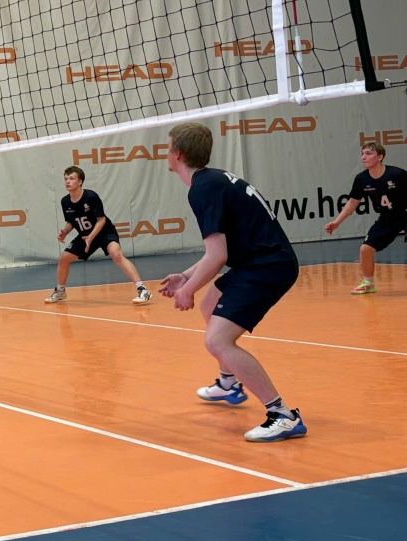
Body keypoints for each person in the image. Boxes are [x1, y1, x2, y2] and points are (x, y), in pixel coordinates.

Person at [158, 122, 306, 443]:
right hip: (257, 261)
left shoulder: (203, 188)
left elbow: (218, 255)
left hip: (268, 267)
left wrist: (187, 290)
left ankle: (283, 415)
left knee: (217, 341)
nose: (165, 153)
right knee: (210, 305)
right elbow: (219, 250)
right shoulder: (211, 179)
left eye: (167, 148)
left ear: (178, 154)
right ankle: (229, 383)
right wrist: (186, 276)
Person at [45, 166, 151, 305]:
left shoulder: (91, 196)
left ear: (80, 181)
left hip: (104, 232)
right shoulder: (65, 201)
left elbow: (101, 220)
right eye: (65, 179)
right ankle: (60, 291)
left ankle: (142, 289)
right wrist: (65, 231)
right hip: (85, 236)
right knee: (63, 259)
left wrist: (91, 236)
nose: (67, 181)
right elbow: (71, 221)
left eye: (71, 178)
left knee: (116, 254)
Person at [323, 140, 407, 294]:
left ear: (380, 157)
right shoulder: (362, 179)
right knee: (365, 249)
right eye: (362, 154)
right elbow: (352, 202)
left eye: (368, 153)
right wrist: (337, 222)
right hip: (388, 218)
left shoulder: (397, 174)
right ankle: (368, 283)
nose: (363, 157)